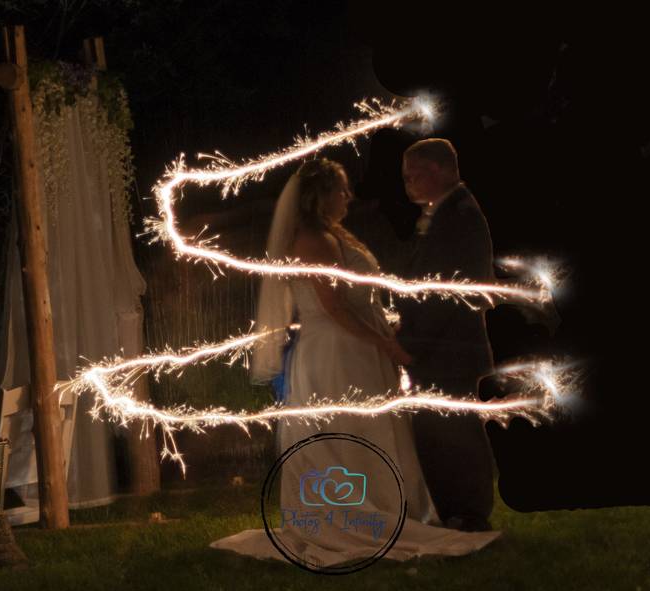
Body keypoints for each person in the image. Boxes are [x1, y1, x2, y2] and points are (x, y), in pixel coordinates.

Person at [210, 159, 500, 567]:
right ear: (322, 195)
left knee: (368, 426)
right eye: (342, 190)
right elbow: (333, 308)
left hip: (353, 347)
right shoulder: (313, 240)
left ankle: (387, 503)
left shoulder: (331, 234)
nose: (349, 197)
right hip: (337, 351)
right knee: (346, 430)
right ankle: (354, 515)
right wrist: (384, 343)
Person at [396, 139, 497, 532]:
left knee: (454, 432)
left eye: (412, 174)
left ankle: (469, 512)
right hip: (442, 347)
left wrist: (411, 347)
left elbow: (447, 294)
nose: (406, 184)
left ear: (435, 171)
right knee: (438, 431)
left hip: (448, 348)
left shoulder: (460, 216)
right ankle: (452, 507)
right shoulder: (446, 214)